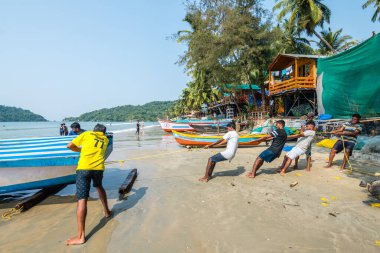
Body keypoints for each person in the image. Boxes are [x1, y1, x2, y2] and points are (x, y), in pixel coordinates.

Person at [66, 124, 111, 245]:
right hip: (98, 169)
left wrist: (81, 149)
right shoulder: (105, 139)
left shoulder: (86, 134)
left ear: (94, 130)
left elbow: (70, 145)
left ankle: (81, 237)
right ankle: (107, 211)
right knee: (99, 186)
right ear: (103, 132)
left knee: (82, 200)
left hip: (84, 168)